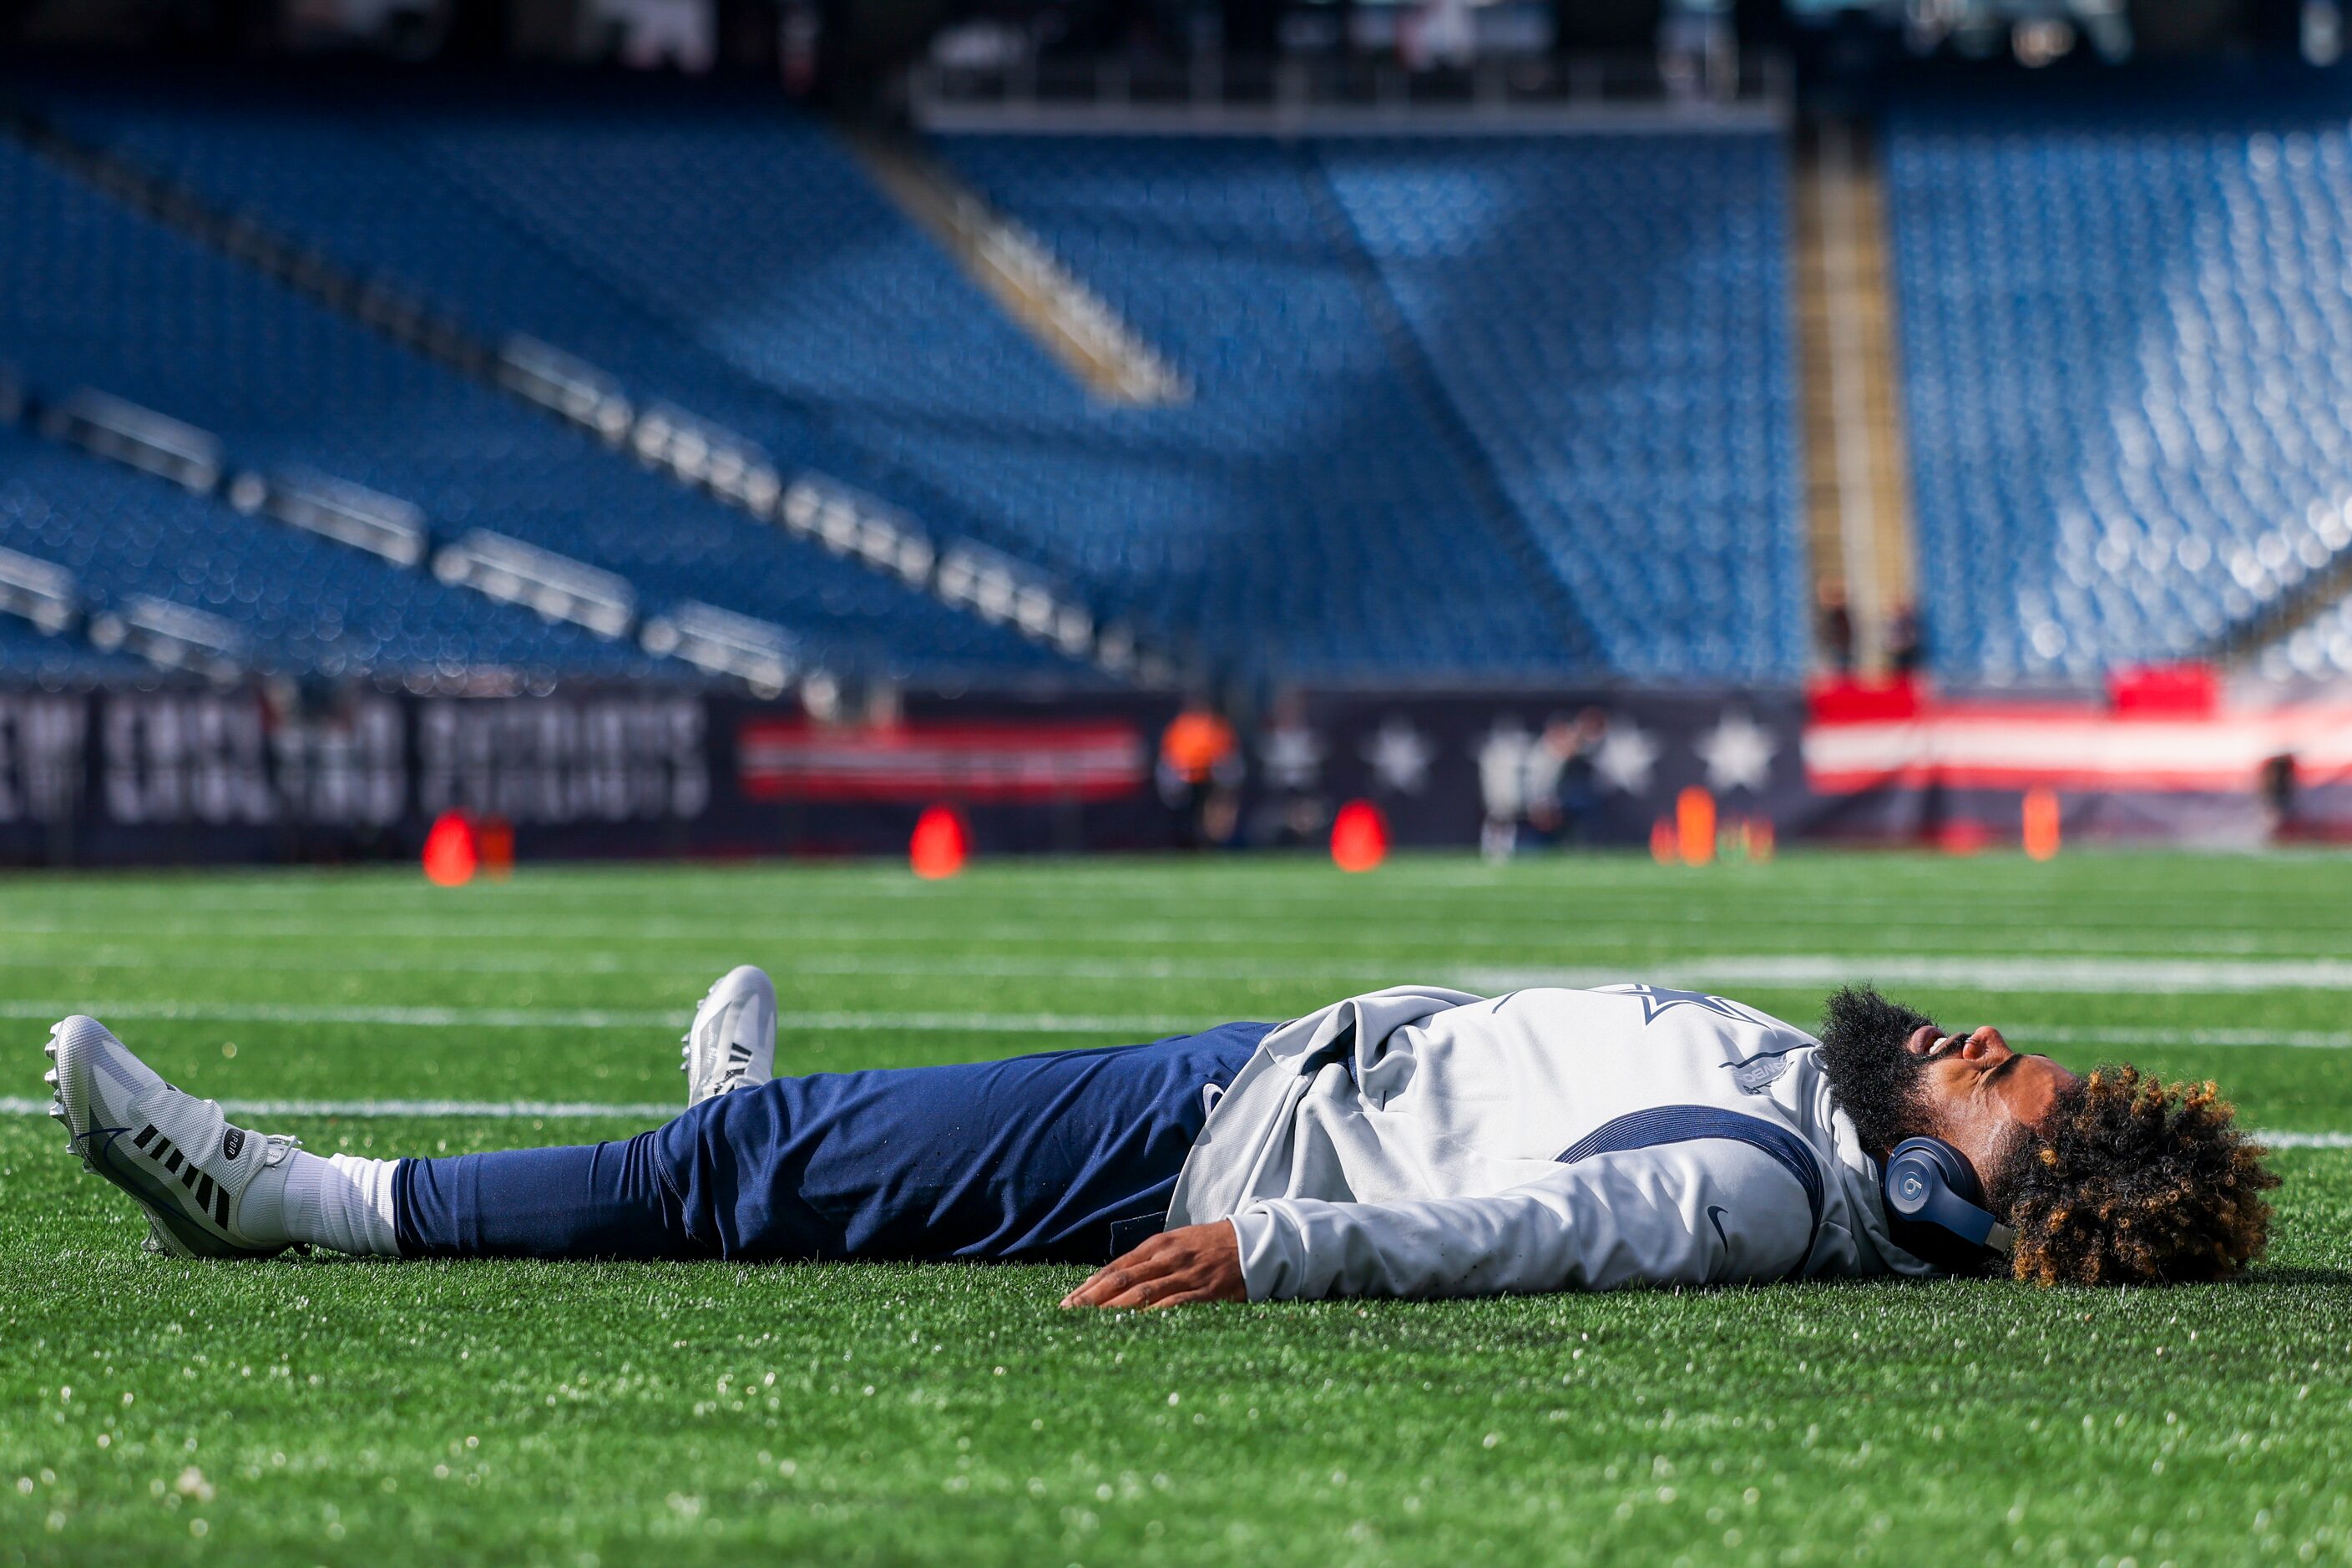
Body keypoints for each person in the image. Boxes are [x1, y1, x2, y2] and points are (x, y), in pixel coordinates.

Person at [43, 968, 2275, 1303]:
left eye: (2011, 1080)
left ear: (1974, 1177)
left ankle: (306, 1210)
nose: (1983, 1037)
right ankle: (774, 1142)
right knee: (806, 1152)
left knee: (740, 1183)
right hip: (1262, 1066)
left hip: (1222, 1152)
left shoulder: (1764, 1174)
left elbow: (1536, 1220)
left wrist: (1279, 1254)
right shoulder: (1808, 1089)